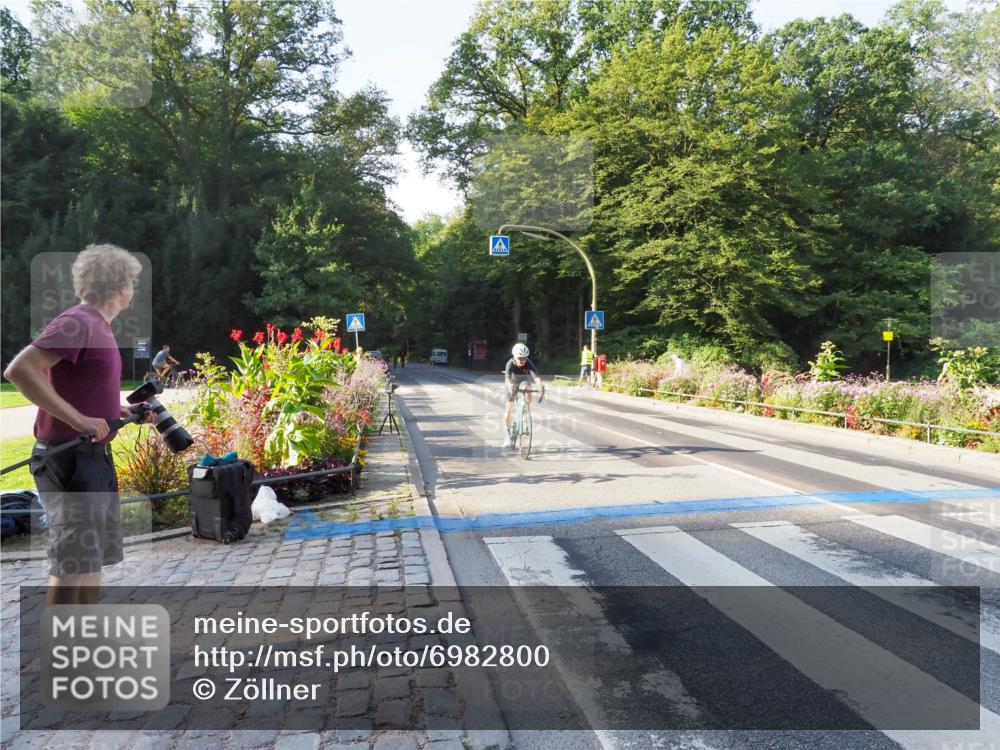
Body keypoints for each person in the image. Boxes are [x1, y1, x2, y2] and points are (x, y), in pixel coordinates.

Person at [3, 244, 153, 605]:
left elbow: (83, 390)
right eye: (132, 282)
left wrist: (118, 411)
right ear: (120, 287)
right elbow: (19, 370)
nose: (133, 289)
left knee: (91, 557)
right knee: (72, 563)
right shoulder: (78, 322)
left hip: (92, 457)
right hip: (66, 459)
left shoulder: (98, 327)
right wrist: (79, 419)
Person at [504, 343, 544, 444]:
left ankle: (525, 409)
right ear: (514, 357)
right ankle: (508, 436)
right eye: (520, 358)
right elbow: (507, 379)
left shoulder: (528, 362)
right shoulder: (510, 363)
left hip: (523, 382)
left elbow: (535, 377)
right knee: (509, 411)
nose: (523, 360)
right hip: (512, 383)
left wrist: (540, 386)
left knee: (528, 388)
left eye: (524, 358)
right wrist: (510, 386)